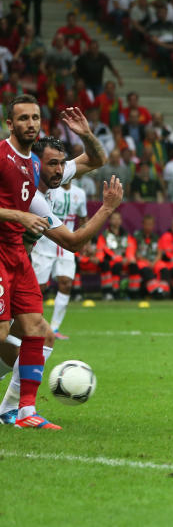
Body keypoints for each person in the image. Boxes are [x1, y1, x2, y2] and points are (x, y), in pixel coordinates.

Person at [0, 104, 117, 429]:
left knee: (41, 334)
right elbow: (74, 241)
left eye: (62, 165)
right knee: (8, 341)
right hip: (8, 260)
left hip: (18, 262)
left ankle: (17, 411)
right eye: (54, 165)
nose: (60, 171)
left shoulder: (46, 172)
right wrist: (106, 209)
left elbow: (95, 160)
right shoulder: (28, 186)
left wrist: (86, 135)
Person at [30, 166, 87, 338]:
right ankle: (33, 324)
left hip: (66, 243)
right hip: (45, 242)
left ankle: (54, 327)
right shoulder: (52, 190)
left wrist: (84, 240)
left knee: (66, 283)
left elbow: (83, 218)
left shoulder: (80, 193)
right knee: (39, 287)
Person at [95, 211, 137, 301]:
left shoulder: (126, 235)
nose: (116, 221)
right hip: (110, 261)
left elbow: (130, 249)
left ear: (121, 221)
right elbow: (100, 251)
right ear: (109, 221)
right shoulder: (104, 235)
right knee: (107, 264)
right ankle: (108, 292)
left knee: (134, 265)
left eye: (118, 218)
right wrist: (102, 258)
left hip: (123, 261)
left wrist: (129, 258)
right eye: (114, 218)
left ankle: (134, 294)